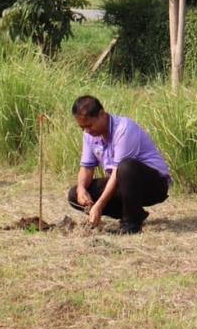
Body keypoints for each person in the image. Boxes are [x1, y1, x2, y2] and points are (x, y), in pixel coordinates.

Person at [67, 95, 171, 234]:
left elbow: (117, 173)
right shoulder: (89, 135)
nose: (87, 131)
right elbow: (86, 168)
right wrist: (81, 189)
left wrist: (99, 205)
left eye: (89, 125)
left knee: (126, 167)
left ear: (101, 114)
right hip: (123, 183)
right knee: (74, 195)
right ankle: (134, 213)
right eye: (82, 127)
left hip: (152, 184)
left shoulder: (124, 129)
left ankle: (131, 224)